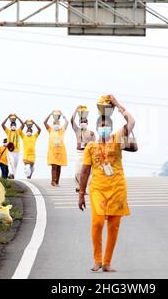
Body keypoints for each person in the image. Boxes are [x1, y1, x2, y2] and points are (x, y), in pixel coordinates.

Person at [78, 95, 135, 273]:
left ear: (111, 128)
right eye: (101, 126)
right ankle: (97, 260)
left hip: (117, 188)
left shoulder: (117, 139)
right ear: (96, 128)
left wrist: (117, 104)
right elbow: (85, 171)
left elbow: (131, 121)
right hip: (98, 189)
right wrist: (81, 193)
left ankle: (107, 262)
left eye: (107, 125)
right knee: (97, 223)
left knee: (113, 225)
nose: (104, 128)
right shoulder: (90, 147)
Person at [71, 106, 95, 193]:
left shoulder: (91, 133)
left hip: (87, 153)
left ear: (87, 123)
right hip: (79, 153)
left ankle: (83, 189)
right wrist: (76, 109)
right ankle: (79, 185)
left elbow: (94, 144)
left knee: (87, 173)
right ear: (79, 122)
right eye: (81, 121)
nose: (83, 123)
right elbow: (71, 120)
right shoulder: (77, 130)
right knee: (78, 171)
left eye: (84, 122)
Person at [44, 110, 68, 187]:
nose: (56, 125)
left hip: (60, 151)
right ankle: (53, 181)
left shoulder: (61, 130)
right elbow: (44, 122)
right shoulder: (50, 130)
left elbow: (67, 122)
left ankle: (57, 181)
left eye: (58, 123)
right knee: (54, 166)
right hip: (52, 152)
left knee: (58, 167)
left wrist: (63, 115)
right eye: (55, 123)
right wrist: (50, 114)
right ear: (53, 124)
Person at [1, 114, 23, 179]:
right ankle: (11, 174)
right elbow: (2, 125)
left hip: (17, 151)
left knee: (15, 165)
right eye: (12, 125)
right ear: (10, 126)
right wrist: (8, 117)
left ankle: (12, 176)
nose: (13, 126)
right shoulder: (8, 131)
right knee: (11, 163)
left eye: (14, 125)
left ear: (16, 126)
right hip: (10, 151)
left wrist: (18, 117)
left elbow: (23, 125)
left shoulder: (18, 131)